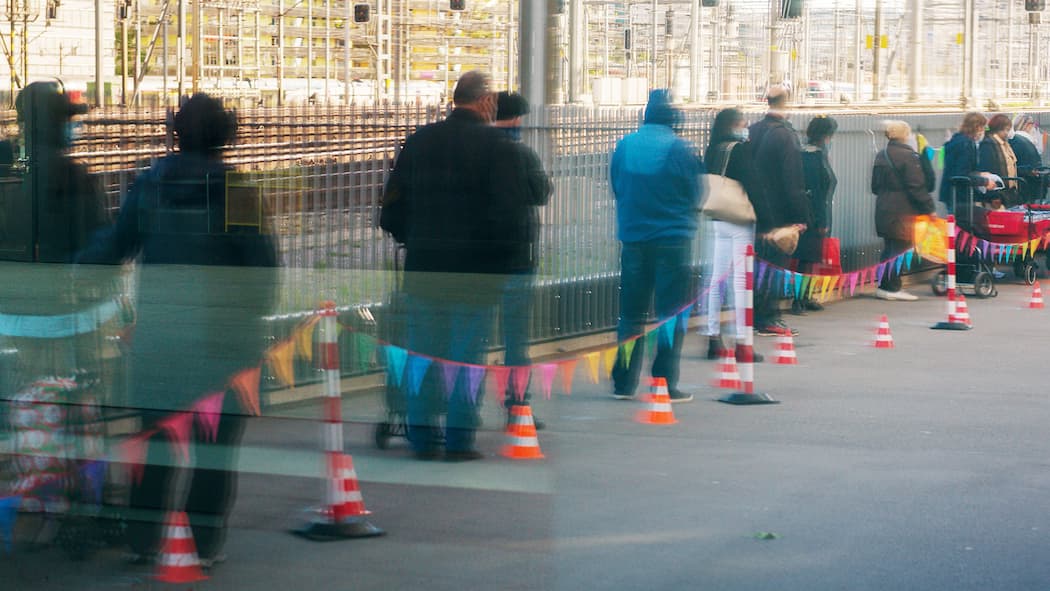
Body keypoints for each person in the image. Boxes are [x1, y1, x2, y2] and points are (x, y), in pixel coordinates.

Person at [78, 94, 279, 567]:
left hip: (160, 340)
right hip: (223, 346)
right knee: (214, 451)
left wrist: (70, 262)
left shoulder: (150, 185)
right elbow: (263, 275)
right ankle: (202, 545)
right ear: (226, 135)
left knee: (155, 440)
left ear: (175, 134)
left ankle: (143, 540)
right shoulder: (237, 190)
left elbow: (115, 246)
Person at [380, 71, 536, 461]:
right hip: (475, 278)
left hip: (424, 272)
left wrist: (416, 240)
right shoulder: (499, 148)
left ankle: (422, 439)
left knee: (423, 356)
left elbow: (390, 210)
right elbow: (511, 219)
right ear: (485, 101)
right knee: (466, 358)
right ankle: (458, 441)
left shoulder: (419, 142)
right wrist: (497, 264)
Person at [609, 89, 703, 403]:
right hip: (673, 241)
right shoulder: (681, 149)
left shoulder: (625, 146)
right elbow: (695, 193)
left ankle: (623, 383)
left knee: (631, 315)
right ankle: (663, 382)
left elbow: (616, 186)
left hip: (634, 239)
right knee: (670, 314)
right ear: (673, 118)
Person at [492, 91, 552, 427]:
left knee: (470, 336)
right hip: (518, 257)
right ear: (516, 119)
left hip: (480, 260)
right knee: (516, 337)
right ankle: (517, 405)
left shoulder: (477, 151)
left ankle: (463, 407)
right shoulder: (522, 154)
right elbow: (542, 193)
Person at [700, 108, 770, 361]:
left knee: (716, 279)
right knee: (741, 282)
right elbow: (754, 186)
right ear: (734, 125)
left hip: (717, 219)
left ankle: (713, 338)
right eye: (742, 123)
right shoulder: (740, 150)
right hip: (739, 220)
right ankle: (743, 342)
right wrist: (767, 223)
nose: (746, 127)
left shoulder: (712, 150)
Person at [748, 85, 809, 336]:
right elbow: (793, 179)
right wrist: (801, 216)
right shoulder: (785, 135)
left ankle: (754, 316)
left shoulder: (753, 130)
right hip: (779, 214)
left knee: (758, 264)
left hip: (755, 210)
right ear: (787, 104)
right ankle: (768, 318)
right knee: (774, 266)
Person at [871, 121, 936, 301]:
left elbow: (874, 186)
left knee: (889, 248)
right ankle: (892, 287)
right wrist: (929, 208)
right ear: (905, 135)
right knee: (899, 250)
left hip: (883, 208)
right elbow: (917, 187)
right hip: (903, 210)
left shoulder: (881, 155)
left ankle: (884, 286)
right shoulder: (909, 157)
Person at [793, 116, 838, 316]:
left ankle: (805, 295)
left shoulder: (804, 153)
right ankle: (800, 299)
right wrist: (822, 220)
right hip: (813, 215)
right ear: (826, 135)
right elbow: (818, 190)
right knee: (807, 259)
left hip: (808, 212)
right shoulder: (815, 156)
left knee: (808, 259)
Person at [940, 112, 996, 216]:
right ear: (977, 127)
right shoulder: (967, 144)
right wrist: (985, 181)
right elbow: (962, 174)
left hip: (951, 193)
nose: (983, 132)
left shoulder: (956, 140)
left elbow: (959, 169)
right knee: (963, 222)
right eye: (983, 128)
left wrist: (980, 174)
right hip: (960, 195)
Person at [978, 114, 1020, 209]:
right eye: (1005, 130)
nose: (1007, 133)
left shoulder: (1004, 144)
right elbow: (988, 170)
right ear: (997, 129)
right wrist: (993, 196)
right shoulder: (988, 145)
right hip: (997, 194)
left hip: (1007, 193)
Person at [1009, 114, 1045, 203]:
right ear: (1027, 125)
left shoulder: (1017, 140)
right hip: (1027, 185)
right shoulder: (1021, 141)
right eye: (1032, 124)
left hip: (1026, 184)